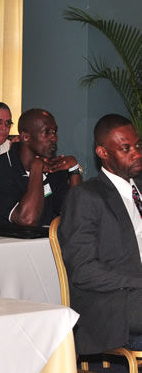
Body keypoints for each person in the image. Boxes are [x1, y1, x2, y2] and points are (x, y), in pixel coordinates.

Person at [59, 114, 142, 354]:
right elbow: (84, 272)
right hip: (111, 301)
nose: (136, 153)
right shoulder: (86, 197)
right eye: (125, 149)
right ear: (103, 153)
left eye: (137, 146)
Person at [0, 108, 82, 227]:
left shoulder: (53, 168)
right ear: (25, 137)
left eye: (54, 131)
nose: (54, 138)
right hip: (1, 242)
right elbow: (28, 220)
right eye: (46, 132)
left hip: (43, 241)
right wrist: (36, 167)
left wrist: (74, 170)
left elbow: (75, 216)